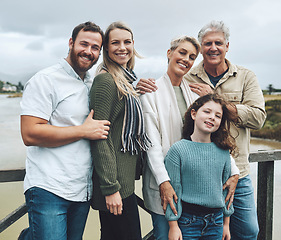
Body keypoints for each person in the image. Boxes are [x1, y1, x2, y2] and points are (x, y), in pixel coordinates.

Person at [140, 36, 239, 240]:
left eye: (192, 56)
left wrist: (234, 171)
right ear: (169, 53)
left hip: (195, 189)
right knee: (165, 234)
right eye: (182, 53)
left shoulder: (194, 95)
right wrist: (164, 182)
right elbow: (152, 145)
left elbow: (214, 138)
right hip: (166, 183)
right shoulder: (150, 93)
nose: (186, 59)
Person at [18, 22, 110, 240]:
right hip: (48, 187)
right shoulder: (45, 79)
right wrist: (83, 130)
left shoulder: (92, 83)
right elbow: (30, 133)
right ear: (71, 43)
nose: (88, 51)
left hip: (82, 190)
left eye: (95, 47)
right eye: (84, 44)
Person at [183, 20, 267, 239]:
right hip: (198, 173)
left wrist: (215, 98)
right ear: (201, 47)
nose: (213, 48)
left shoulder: (246, 76)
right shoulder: (187, 77)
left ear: (227, 46)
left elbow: (258, 118)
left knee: (248, 231)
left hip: (236, 172)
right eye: (207, 43)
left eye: (218, 43)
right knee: (204, 232)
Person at [89, 21, 152, 240]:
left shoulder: (126, 79)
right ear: (106, 47)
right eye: (115, 42)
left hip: (123, 184)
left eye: (127, 42)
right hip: (114, 187)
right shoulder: (106, 81)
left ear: (134, 45)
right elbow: (99, 137)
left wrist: (139, 91)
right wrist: (110, 188)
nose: (122, 47)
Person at [165, 93, 238, 240]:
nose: (212, 117)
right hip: (187, 221)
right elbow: (174, 191)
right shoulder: (178, 150)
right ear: (193, 114)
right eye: (207, 111)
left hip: (216, 222)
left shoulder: (223, 152)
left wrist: (226, 224)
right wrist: (173, 226)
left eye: (218, 116)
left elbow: (226, 192)